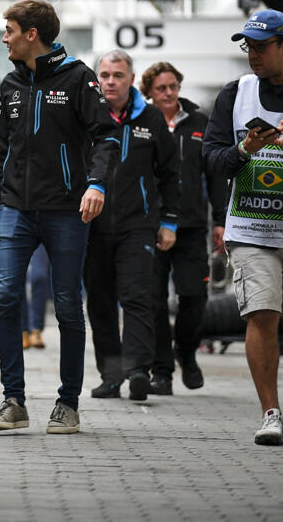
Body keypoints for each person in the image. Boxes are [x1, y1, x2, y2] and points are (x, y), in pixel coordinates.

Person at [0, 0, 118, 434]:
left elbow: (106, 136)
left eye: (10, 31)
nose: (5, 38)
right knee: (5, 299)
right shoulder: (10, 84)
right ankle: (13, 400)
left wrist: (96, 184)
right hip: (15, 211)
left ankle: (68, 403)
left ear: (31, 35)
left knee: (65, 306)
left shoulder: (79, 78)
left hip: (65, 210)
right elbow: (4, 151)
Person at [204, 9, 283, 445]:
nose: (252, 54)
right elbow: (213, 160)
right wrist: (242, 150)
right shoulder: (235, 93)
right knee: (262, 314)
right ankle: (270, 412)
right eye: (248, 47)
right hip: (251, 226)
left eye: (261, 46)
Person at [85, 50, 180, 401]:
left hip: (137, 225)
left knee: (138, 298)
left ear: (130, 78)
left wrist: (169, 221)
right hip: (91, 226)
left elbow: (170, 175)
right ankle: (111, 377)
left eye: (118, 75)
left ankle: (138, 370)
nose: (111, 81)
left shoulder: (151, 118)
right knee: (100, 302)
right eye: (105, 75)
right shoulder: (86, 115)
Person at [141, 61, 227, 395]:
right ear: (149, 91)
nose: (168, 93)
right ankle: (161, 370)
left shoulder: (200, 124)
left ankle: (186, 354)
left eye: (173, 86)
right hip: (150, 225)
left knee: (194, 297)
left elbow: (215, 175)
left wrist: (219, 220)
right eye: (161, 88)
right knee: (154, 302)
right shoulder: (141, 124)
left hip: (191, 226)